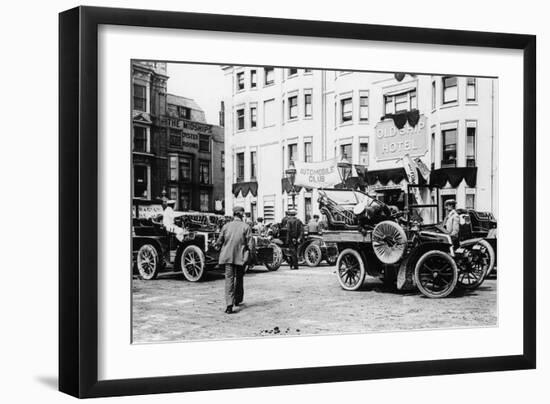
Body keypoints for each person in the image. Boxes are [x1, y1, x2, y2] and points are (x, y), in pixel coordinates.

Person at [216, 206, 252, 314]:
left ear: (234, 214)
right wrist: (251, 257)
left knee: (229, 280)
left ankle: (229, 305)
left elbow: (219, 241)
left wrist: (217, 245)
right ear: (242, 215)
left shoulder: (226, 226)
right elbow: (250, 245)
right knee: (239, 277)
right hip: (240, 257)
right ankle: (238, 299)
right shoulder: (246, 227)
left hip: (227, 256)